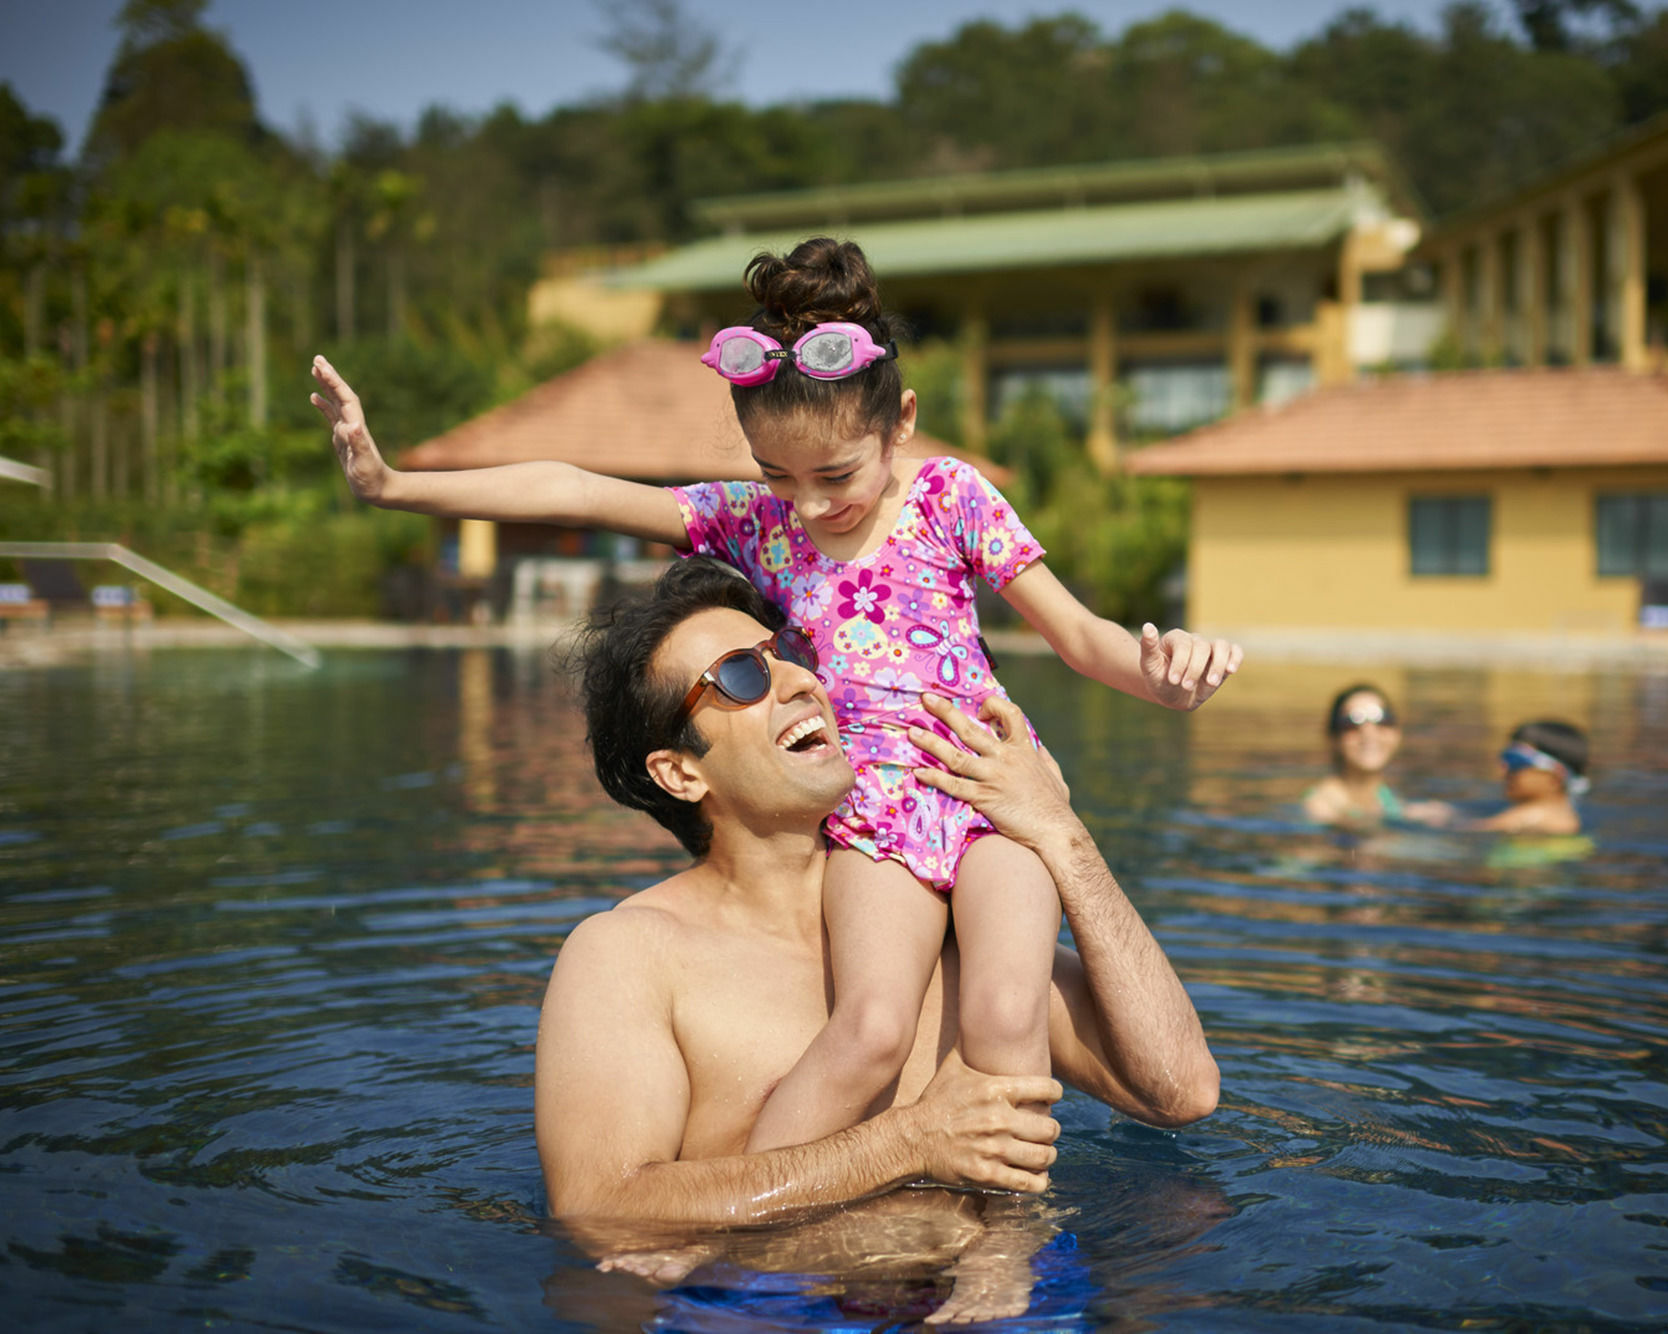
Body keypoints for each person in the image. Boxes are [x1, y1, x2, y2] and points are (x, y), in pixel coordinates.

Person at [311, 236, 1240, 1163]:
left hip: (992, 786)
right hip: (872, 808)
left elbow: (1080, 638)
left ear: (900, 422)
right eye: (777, 475)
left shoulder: (954, 497)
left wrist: (1161, 677)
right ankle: (747, 1240)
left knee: (1004, 1015)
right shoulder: (751, 522)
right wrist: (392, 485)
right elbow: (578, 488)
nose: (806, 504)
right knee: (870, 1028)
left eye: (835, 475)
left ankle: (998, 1276)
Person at [534, 558, 1218, 1320]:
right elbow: (603, 1209)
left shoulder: (941, 920)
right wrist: (907, 1143)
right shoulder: (630, 955)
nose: (798, 681)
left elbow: (1179, 1090)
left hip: (1000, 1294)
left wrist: (1061, 833)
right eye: (741, 677)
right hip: (765, 1306)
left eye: (787, 652)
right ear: (680, 773)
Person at [1301, 683, 1450, 828]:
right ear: (1333, 738)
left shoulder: (1384, 796)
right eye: (1352, 723)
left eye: (1382, 720)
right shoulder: (1322, 806)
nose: (1369, 733)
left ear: (1397, 733)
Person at [1465, 719, 1589, 836]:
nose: (1505, 770)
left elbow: (1468, 832)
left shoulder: (1529, 816)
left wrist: (1448, 819)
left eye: (1516, 760)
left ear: (1555, 777)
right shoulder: (1567, 817)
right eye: (1506, 758)